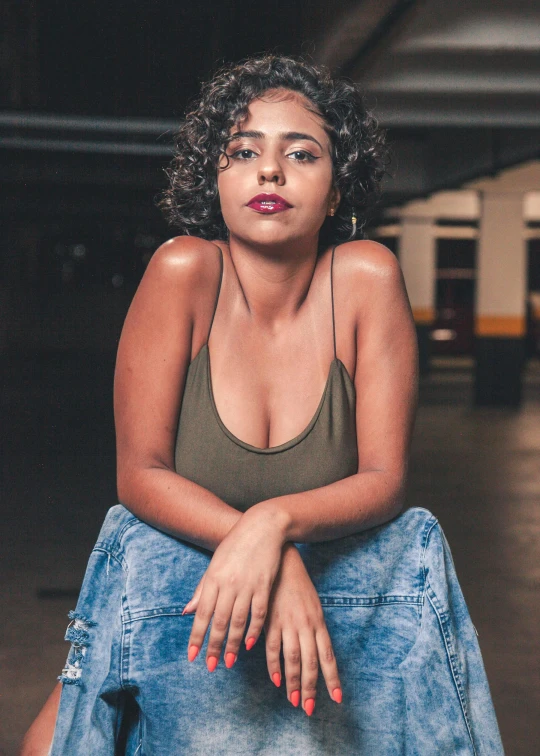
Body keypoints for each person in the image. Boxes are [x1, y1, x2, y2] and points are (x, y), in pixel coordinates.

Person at [21, 54, 504, 754]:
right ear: (214, 180)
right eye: (243, 151)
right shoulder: (184, 269)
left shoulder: (366, 277)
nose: (270, 171)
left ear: (336, 191)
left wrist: (273, 527)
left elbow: (386, 480)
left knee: (415, 543)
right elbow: (140, 474)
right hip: (185, 598)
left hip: (340, 603)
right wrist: (263, 557)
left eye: (301, 153)